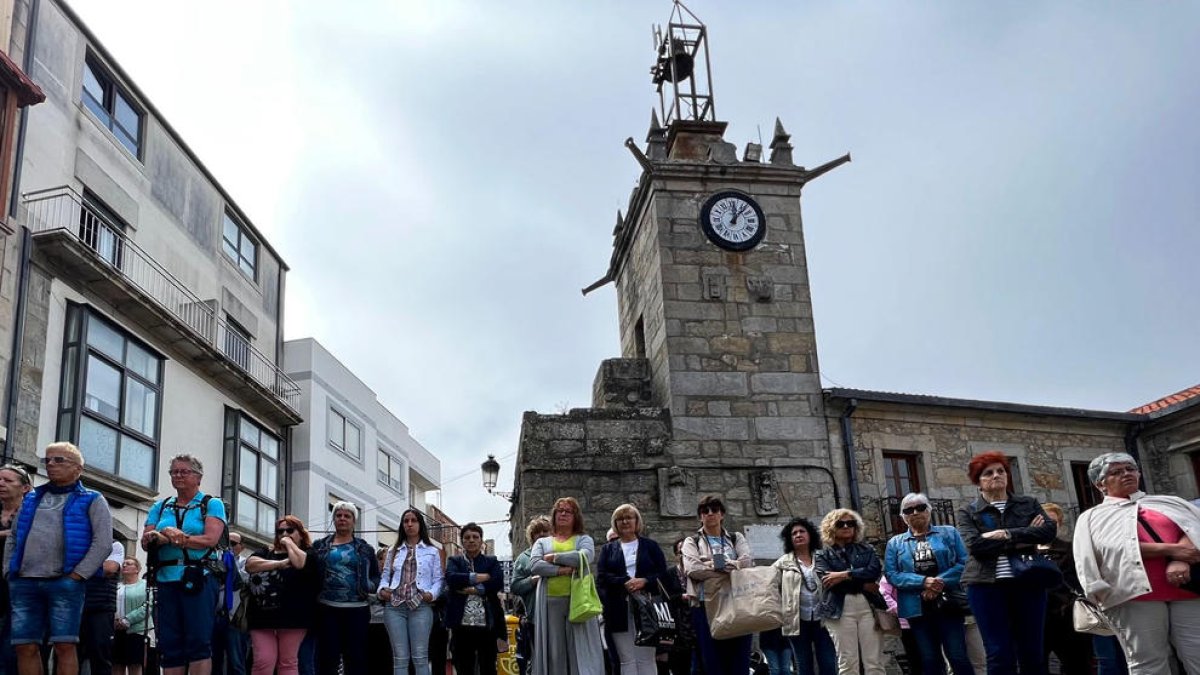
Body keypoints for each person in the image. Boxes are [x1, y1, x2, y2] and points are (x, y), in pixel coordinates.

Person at [1073, 451, 1200, 674]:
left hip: (1188, 590)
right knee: (1148, 664)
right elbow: (1111, 548)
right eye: (1116, 472)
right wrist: (1174, 550)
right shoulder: (1093, 517)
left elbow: (1195, 528)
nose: (1126, 474)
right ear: (1100, 484)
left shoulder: (1171, 503)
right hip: (1133, 596)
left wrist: (1181, 560)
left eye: (1130, 469)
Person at [6, 442, 113, 675]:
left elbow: (104, 542)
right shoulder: (31, 499)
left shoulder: (93, 499)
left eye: (59, 460)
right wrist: (9, 570)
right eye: (48, 460)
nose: (51, 464)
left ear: (78, 468)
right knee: (25, 646)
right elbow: (14, 537)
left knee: (65, 644)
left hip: (65, 582)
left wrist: (77, 575)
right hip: (24, 581)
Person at [956, 451, 1056, 675]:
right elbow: (975, 546)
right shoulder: (968, 511)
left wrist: (1006, 534)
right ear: (978, 482)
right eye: (988, 473)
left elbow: (1048, 532)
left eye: (1001, 471)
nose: (996, 476)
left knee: (1032, 652)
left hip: (1028, 583)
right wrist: (1026, 533)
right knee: (999, 652)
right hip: (985, 585)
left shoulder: (1027, 503)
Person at [141, 453, 226, 675]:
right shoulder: (160, 507)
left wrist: (177, 538)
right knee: (169, 644)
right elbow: (145, 541)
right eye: (174, 472)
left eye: (184, 471)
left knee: (198, 642)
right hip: (165, 578)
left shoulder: (211, 504)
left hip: (197, 578)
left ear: (198, 477)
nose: (178, 475)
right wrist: (159, 536)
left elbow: (210, 540)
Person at [884, 493, 973, 675]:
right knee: (929, 660)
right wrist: (924, 582)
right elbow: (892, 574)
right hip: (916, 610)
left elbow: (964, 563)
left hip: (949, 605)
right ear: (903, 517)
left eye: (920, 507)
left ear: (929, 510)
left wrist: (938, 583)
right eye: (909, 510)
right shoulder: (894, 543)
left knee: (958, 656)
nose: (915, 512)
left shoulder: (949, 532)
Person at [529, 497, 604, 675]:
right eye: (559, 510)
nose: (563, 513)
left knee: (579, 651)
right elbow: (535, 566)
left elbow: (584, 557)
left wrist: (554, 558)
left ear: (575, 516)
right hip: (550, 602)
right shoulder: (542, 542)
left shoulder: (584, 539)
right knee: (555, 652)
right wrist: (563, 570)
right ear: (554, 515)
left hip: (578, 601)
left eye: (568, 511)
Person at [682, 495, 755, 675]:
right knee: (713, 662)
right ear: (700, 517)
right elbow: (693, 570)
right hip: (705, 605)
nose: (710, 514)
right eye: (705, 511)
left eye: (714, 510)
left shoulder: (735, 537)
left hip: (737, 602)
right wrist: (730, 567)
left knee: (740, 661)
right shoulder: (692, 541)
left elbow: (747, 563)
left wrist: (711, 564)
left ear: (722, 514)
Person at [597, 504, 669, 675]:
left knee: (647, 659)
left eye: (629, 517)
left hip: (648, 607)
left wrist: (644, 581)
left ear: (637, 521)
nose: (625, 521)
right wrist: (625, 582)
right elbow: (602, 578)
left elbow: (663, 575)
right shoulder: (608, 549)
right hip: (619, 608)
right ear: (615, 524)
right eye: (620, 519)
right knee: (626, 659)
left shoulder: (650, 546)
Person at [310, 501, 380, 675]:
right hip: (326, 609)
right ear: (333, 519)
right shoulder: (319, 546)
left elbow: (376, 577)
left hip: (357, 610)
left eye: (347, 516)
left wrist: (367, 586)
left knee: (356, 659)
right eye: (338, 515)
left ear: (353, 521)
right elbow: (309, 572)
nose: (342, 519)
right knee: (326, 659)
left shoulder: (365, 548)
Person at [246, 515, 320, 675]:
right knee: (263, 661)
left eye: (290, 530)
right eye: (280, 531)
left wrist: (288, 543)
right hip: (261, 617)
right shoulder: (266, 551)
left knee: (288, 662)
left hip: (294, 618)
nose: (284, 534)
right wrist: (280, 564)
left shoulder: (310, 554)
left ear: (300, 533)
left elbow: (300, 563)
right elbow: (250, 565)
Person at [814, 508, 884, 675]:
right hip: (839, 609)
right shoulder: (822, 554)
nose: (846, 526)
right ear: (831, 527)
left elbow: (873, 571)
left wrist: (845, 574)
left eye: (850, 523)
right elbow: (829, 582)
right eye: (840, 523)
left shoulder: (866, 549)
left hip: (868, 608)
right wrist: (862, 584)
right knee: (847, 663)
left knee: (874, 663)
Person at [378, 508, 443, 675]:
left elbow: (438, 580)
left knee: (420, 657)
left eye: (413, 520)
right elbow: (385, 577)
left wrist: (432, 594)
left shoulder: (432, 550)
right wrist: (382, 591)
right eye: (406, 521)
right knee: (400, 659)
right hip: (394, 607)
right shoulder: (393, 550)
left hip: (420, 606)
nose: (409, 524)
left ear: (420, 524)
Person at [773, 517, 837, 675]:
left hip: (824, 621)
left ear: (810, 535)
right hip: (797, 622)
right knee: (804, 666)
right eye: (794, 533)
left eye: (802, 531)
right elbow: (770, 588)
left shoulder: (824, 557)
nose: (798, 535)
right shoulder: (781, 563)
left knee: (829, 664)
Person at [446, 522, 506, 675]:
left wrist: (474, 589)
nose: (471, 540)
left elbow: (497, 582)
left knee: (488, 667)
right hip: (462, 626)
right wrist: (480, 577)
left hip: (487, 625)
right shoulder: (454, 561)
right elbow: (452, 579)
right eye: (467, 537)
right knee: (463, 668)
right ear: (462, 541)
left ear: (481, 540)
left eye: (475, 537)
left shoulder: (491, 561)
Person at [1037, 503, 1091, 675]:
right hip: (1035, 618)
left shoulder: (1070, 549)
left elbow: (1080, 580)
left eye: (1053, 521)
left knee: (1076, 665)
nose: (1048, 525)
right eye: (1043, 520)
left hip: (1066, 618)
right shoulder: (1022, 552)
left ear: (1059, 524)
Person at [0, 463, 34, 674]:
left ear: (25, 488)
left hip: (17, 583)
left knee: (11, 645)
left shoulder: (32, 512)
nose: (1, 484)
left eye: (8, 480)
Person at [512, 516, 552, 675]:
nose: (542, 534)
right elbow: (515, 586)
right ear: (531, 536)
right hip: (536, 618)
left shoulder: (560, 551)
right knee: (537, 660)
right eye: (538, 532)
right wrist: (533, 580)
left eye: (545, 531)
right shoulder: (523, 558)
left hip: (561, 614)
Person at [79, 540, 125, 675]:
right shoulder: (79, 543)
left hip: (101, 608)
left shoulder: (115, 545)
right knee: (71, 651)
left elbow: (110, 568)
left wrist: (78, 567)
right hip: (75, 605)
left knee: (100, 655)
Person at [113, 557, 150, 675]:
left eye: (128, 564)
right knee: (116, 665)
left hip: (136, 630)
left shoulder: (145, 586)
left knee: (134, 665)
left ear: (137, 569)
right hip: (116, 630)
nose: (124, 566)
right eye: (123, 564)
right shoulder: (117, 586)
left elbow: (147, 606)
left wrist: (127, 620)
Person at [221, 532, 250, 675]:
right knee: (215, 659)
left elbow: (241, 580)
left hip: (235, 618)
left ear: (241, 547)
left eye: (233, 543)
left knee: (236, 660)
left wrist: (230, 562)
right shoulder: (217, 558)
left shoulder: (246, 562)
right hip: (216, 614)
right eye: (227, 542)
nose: (229, 546)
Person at [664, 538, 692, 675]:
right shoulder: (669, 574)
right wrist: (682, 597)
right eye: (681, 552)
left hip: (697, 621)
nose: (684, 555)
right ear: (676, 555)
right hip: (678, 624)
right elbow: (665, 598)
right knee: (680, 665)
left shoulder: (698, 572)